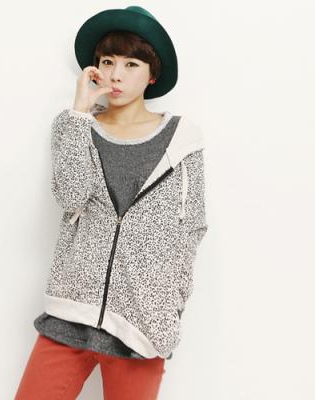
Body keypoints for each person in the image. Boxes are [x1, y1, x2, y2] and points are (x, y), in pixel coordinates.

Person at [15, 5, 208, 400]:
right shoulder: (74, 126)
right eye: (107, 61)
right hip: (70, 313)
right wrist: (80, 113)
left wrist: (168, 308)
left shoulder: (182, 140)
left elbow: (191, 227)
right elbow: (70, 196)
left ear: (151, 75)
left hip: (140, 325)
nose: (116, 74)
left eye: (131, 64)